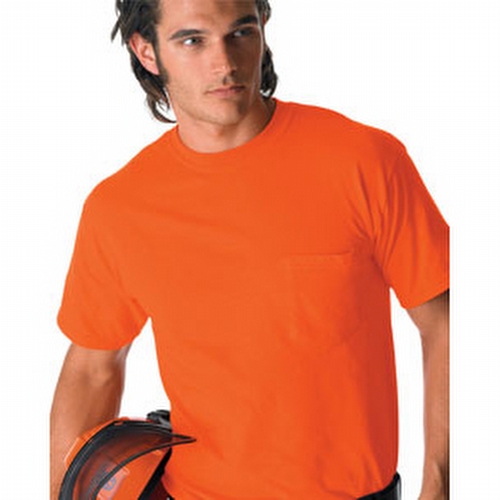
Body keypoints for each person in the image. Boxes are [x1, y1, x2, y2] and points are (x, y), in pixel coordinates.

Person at [50, 0, 449, 498]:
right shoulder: (119, 207)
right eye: (192, 41)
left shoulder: (365, 161)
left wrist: (439, 484)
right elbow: (92, 369)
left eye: (240, 32)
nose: (224, 63)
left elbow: (446, 324)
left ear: (262, 28)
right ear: (146, 51)